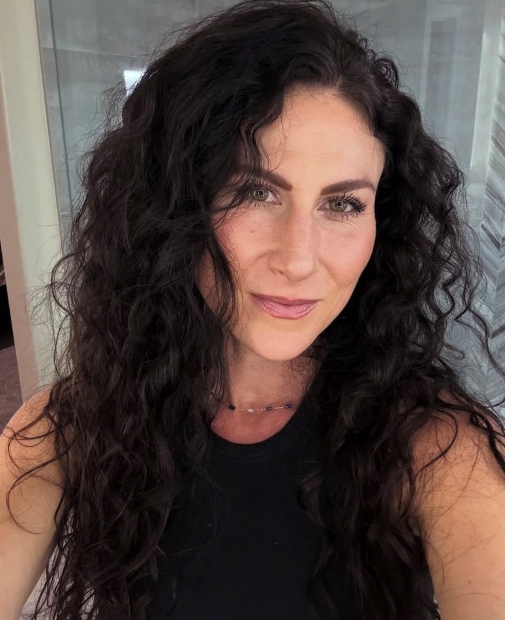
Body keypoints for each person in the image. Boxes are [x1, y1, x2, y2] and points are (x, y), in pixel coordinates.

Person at [1, 0, 505, 618]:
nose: (298, 259)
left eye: (343, 204)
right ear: (175, 209)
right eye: (254, 191)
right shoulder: (71, 428)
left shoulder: (440, 449)